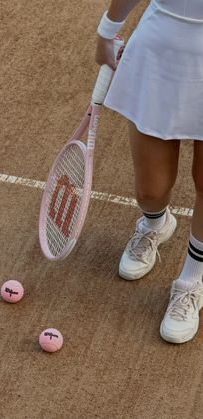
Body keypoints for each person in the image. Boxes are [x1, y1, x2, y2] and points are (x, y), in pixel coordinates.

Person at [95, 0, 203, 344]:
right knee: (150, 191)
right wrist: (107, 30)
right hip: (161, 50)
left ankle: (191, 280)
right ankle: (155, 223)